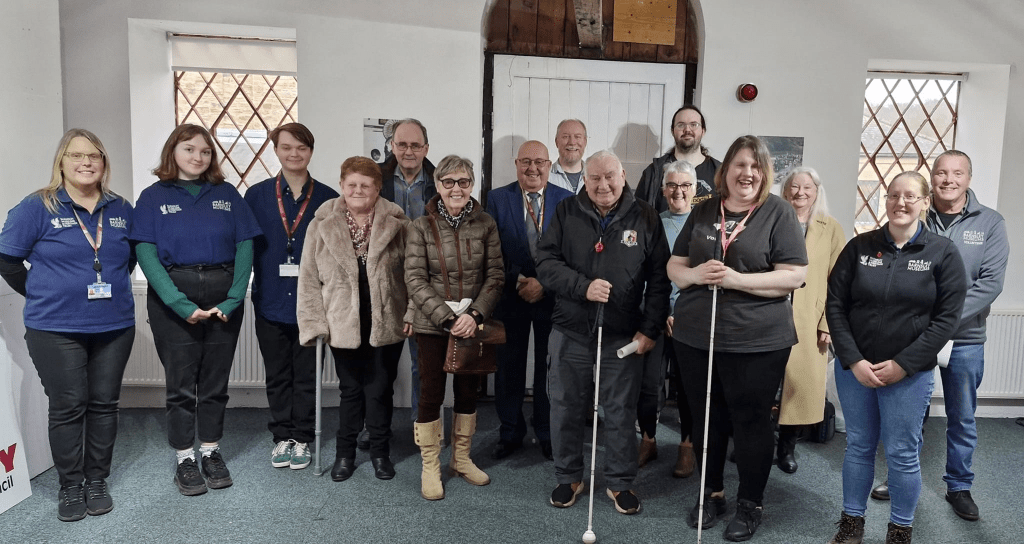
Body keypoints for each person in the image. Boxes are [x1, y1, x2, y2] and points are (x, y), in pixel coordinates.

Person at [667, 135, 807, 541]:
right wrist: (695, 276)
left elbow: (794, 275)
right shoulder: (704, 209)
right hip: (696, 336)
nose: (747, 173)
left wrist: (737, 280)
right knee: (706, 417)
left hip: (757, 340)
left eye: (756, 167)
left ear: (764, 173)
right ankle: (712, 493)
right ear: (724, 170)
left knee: (749, 421)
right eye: (740, 165)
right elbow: (675, 265)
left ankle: (750, 502)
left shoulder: (778, 213)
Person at [0, 129, 135, 521]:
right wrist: (43, 292)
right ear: (61, 162)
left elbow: (126, 260)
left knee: (104, 404)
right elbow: (7, 260)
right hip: (54, 328)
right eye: (76, 156)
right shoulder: (36, 207)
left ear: (104, 163)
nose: (86, 163)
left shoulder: (120, 207)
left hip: (113, 326)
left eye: (94, 156)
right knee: (68, 405)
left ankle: (97, 480)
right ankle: (71, 486)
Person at [825, 170, 967, 544]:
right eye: (892, 195)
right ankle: (852, 523)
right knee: (858, 445)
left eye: (909, 196)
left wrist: (904, 364)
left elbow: (947, 319)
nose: (900, 203)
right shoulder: (859, 247)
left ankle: (900, 528)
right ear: (884, 200)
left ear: (924, 202)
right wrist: (853, 359)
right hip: (856, 369)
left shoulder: (942, 253)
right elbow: (835, 306)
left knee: (902, 453)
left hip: (909, 374)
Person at [868, 151, 1008, 522]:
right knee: (910, 413)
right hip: (915, 336)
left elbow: (990, 283)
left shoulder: (990, 223)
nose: (948, 180)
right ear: (931, 179)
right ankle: (898, 477)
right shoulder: (916, 215)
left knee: (962, 416)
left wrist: (942, 319)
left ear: (968, 177)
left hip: (965, 338)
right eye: (941, 173)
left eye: (957, 173)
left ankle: (959, 486)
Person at [537, 150, 670, 516]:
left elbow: (660, 279)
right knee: (565, 405)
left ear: (623, 175)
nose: (603, 184)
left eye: (609, 176)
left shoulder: (646, 216)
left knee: (620, 411)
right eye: (594, 178)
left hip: (623, 335)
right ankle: (568, 477)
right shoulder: (566, 212)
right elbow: (545, 263)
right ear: (584, 179)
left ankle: (620, 483)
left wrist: (649, 330)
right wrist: (582, 286)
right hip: (571, 329)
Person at [131, 124, 262, 496]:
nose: (197, 157)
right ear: (173, 151)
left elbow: (245, 247)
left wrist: (234, 299)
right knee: (181, 384)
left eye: (205, 152)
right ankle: (185, 457)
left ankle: (211, 450)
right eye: (189, 149)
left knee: (216, 383)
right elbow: (145, 253)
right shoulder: (153, 196)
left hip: (223, 296)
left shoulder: (226, 194)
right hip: (173, 294)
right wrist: (179, 304)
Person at [297, 156, 411, 482]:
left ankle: (379, 452)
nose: (358, 190)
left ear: (377, 188)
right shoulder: (321, 225)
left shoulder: (398, 223)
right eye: (352, 184)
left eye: (366, 184)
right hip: (340, 322)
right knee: (350, 390)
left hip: (386, 319)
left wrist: (414, 311)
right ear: (342, 186)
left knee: (379, 389)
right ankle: (344, 454)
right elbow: (308, 280)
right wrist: (314, 324)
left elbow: (414, 274)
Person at [405, 155, 503, 500]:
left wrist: (473, 316)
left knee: (467, 392)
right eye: (449, 182)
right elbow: (415, 280)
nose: (456, 189)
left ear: (472, 185)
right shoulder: (419, 227)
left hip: (472, 323)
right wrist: (446, 318)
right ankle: (430, 464)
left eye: (463, 182)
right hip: (433, 325)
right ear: (438, 186)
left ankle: (461, 458)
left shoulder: (486, 224)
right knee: (430, 392)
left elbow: (495, 276)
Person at [243, 123, 338, 471]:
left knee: (307, 374)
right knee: (278, 373)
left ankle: (303, 438)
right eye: (286, 147)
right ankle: (282, 436)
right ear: (276, 150)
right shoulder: (255, 195)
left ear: (310, 151)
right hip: (269, 300)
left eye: (301, 148)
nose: (294, 154)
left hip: (313, 304)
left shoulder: (329, 198)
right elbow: (245, 249)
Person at [486, 140, 573, 461]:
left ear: (550, 165)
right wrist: (518, 279)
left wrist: (543, 283)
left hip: (551, 298)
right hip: (511, 295)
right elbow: (491, 250)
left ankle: (547, 431)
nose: (532, 168)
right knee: (509, 368)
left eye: (539, 162)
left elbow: (570, 253)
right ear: (516, 163)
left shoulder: (567, 200)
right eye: (526, 162)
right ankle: (510, 432)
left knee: (549, 370)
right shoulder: (497, 199)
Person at [775, 167, 845, 474]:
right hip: (769, 314)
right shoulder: (772, 219)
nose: (800, 192)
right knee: (763, 384)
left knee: (798, 387)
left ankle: (786, 448)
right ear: (785, 190)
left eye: (807, 187)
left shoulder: (830, 227)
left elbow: (840, 280)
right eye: (794, 186)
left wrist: (828, 323)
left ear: (817, 192)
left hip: (809, 318)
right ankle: (758, 442)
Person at [637, 160, 697, 478]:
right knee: (648, 386)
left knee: (687, 387)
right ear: (663, 190)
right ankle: (648, 439)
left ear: (695, 190)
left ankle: (687, 447)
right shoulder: (651, 224)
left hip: (690, 320)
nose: (678, 191)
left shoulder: (703, 226)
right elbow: (644, 275)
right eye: (672, 185)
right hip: (656, 318)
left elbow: (702, 277)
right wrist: (661, 314)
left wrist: (681, 312)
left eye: (685, 185)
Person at [376, 118, 435, 435]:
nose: (409, 151)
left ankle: (423, 429)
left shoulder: (441, 182)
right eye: (402, 144)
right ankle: (376, 431)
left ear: (426, 148)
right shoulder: (376, 180)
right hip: (386, 284)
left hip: (426, 286)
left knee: (423, 364)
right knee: (381, 364)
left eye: (415, 145)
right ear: (392, 146)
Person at [635, 105, 721, 212]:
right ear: (672, 131)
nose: (687, 130)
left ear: (703, 131)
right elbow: (637, 215)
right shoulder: (654, 172)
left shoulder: (720, 171)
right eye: (681, 125)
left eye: (694, 125)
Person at [548, 119, 588, 194]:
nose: (572, 142)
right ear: (557, 142)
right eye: (565, 137)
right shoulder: (546, 177)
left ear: (585, 142)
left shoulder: (596, 176)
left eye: (577, 137)